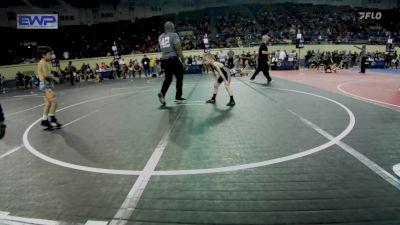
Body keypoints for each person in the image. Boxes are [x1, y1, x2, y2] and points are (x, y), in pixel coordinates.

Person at [157, 21, 186, 105]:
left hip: (165, 60)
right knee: (179, 78)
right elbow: (178, 48)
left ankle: (162, 93)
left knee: (168, 79)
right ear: (171, 27)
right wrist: (183, 60)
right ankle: (178, 97)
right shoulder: (174, 35)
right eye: (173, 27)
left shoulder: (160, 37)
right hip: (173, 59)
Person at [37, 46, 62, 129]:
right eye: (49, 54)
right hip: (45, 86)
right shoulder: (42, 62)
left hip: (45, 86)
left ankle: (44, 120)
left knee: (48, 104)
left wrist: (55, 72)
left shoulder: (44, 62)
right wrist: (56, 79)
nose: (51, 56)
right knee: (55, 103)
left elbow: (49, 72)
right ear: (43, 55)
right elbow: (46, 74)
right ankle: (52, 120)